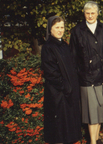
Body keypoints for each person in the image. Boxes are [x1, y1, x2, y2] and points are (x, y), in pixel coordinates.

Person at [69, 1, 103, 144]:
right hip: (86, 78)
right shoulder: (77, 31)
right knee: (91, 112)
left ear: (97, 13)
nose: (90, 16)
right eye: (87, 13)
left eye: (92, 13)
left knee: (100, 111)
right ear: (84, 14)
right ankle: (93, 141)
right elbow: (73, 56)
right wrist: (78, 75)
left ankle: (96, 138)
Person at [41, 16, 81, 144]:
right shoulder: (48, 47)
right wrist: (66, 87)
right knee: (59, 130)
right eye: (57, 27)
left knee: (68, 130)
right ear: (50, 29)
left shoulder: (64, 45)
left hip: (68, 94)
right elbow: (51, 72)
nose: (60, 30)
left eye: (62, 27)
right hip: (57, 94)